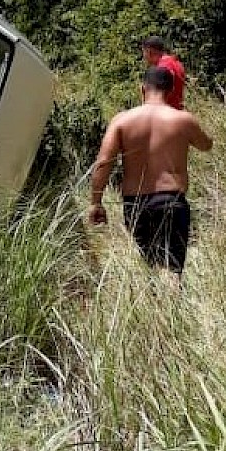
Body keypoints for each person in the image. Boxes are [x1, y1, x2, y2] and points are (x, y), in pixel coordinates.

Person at [88, 67, 212, 280]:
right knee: (172, 271)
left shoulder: (122, 120)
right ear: (171, 91)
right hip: (171, 201)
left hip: (135, 205)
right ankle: (169, 310)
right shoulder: (183, 120)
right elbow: (206, 145)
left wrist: (96, 202)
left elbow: (103, 162)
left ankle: (152, 308)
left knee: (148, 267)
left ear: (142, 89)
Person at [141, 36, 185, 110]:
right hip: (175, 111)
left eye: (143, 52)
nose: (144, 57)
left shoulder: (162, 67)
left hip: (164, 114)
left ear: (149, 51)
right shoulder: (176, 63)